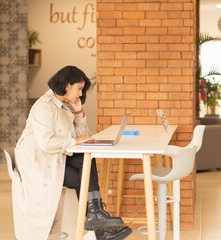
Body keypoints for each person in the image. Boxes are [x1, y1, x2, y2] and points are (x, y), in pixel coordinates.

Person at [12, 66, 132, 240]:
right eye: (79, 88)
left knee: (86, 158)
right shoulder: (43, 107)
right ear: (67, 85)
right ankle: (98, 224)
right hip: (38, 163)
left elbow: (81, 135)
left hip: (54, 157)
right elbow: (46, 143)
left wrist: (79, 113)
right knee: (81, 178)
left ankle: (96, 219)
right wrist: (75, 141)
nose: (80, 94)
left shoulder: (65, 107)